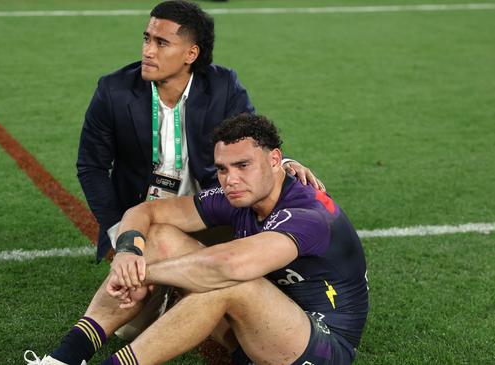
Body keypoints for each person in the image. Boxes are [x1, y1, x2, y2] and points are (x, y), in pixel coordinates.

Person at [25, 114, 368, 365]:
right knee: (157, 237)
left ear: (275, 160)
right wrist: (129, 252)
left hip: (320, 348)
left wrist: (143, 272)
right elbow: (147, 212)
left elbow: (230, 266)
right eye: (222, 168)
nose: (230, 179)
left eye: (242, 165)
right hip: (258, 331)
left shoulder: (309, 215)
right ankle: (64, 357)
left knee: (232, 281)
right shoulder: (240, 194)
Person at [76, 0, 323, 263]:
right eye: (146, 39)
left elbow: (252, 138)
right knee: (142, 290)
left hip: (205, 214)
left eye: (161, 43)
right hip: (143, 216)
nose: (147, 51)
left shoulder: (222, 86)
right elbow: (92, 166)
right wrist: (118, 232)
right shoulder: (113, 91)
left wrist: (284, 163)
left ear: (191, 54)